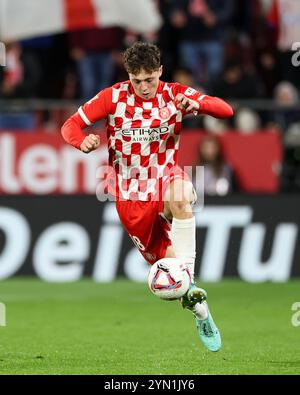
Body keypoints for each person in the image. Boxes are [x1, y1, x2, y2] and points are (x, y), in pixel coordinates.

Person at [61, 42, 233, 352]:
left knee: (182, 195)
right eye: (136, 80)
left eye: (149, 79)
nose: (143, 87)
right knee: (177, 283)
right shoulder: (111, 97)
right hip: (130, 196)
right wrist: (80, 141)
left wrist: (198, 105)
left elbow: (226, 110)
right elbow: (70, 125)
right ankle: (200, 310)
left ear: (160, 72)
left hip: (165, 179)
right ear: (128, 76)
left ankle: (188, 275)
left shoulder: (175, 93)